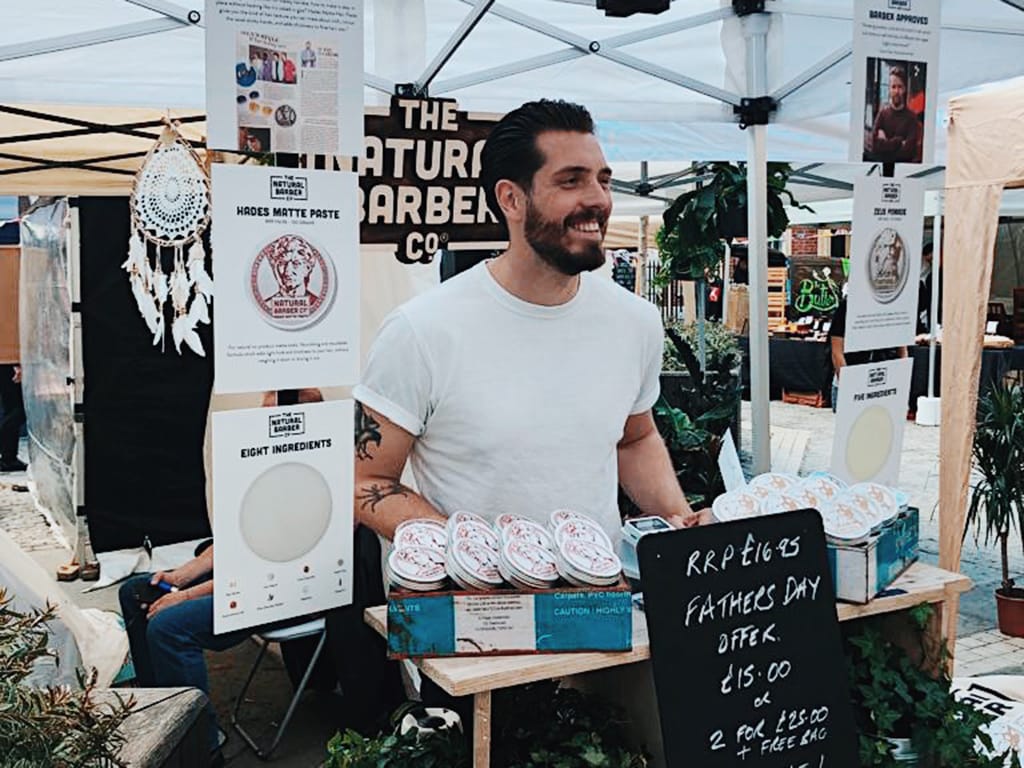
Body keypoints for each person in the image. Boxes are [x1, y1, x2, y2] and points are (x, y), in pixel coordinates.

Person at [828, 296, 907, 412]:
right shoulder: (848, 306)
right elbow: (837, 351)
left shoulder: (892, 306)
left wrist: (901, 383)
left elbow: (902, 348)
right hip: (853, 378)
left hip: (884, 383)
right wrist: (848, 386)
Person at [868, 65, 922, 164]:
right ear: (889, 89)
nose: (897, 91)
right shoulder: (882, 114)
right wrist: (899, 141)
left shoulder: (911, 118)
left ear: (905, 89)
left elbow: (908, 153)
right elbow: (874, 146)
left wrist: (886, 144)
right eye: (893, 87)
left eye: (900, 87)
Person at [916, 241, 941, 334]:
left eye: (932, 259)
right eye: (929, 261)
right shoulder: (930, 277)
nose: (931, 263)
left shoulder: (933, 276)